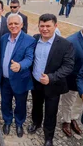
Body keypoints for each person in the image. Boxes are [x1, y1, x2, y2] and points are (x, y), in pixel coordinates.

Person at [28, 14, 74, 146]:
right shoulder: (35, 39)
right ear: (38, 26)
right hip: (36, 82)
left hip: (53, 85)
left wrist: (51, 77)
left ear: (55, 26)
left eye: (48, 26)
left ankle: (48, 136)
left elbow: (68, 66)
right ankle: (36, 123)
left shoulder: (65, 44)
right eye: (42, 26)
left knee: (51, 111)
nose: (45, 29)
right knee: (36, 105)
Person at [0, 14, 36, 137]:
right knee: (5, 102)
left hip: (20, 79)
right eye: (10, 24)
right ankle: (7, 121)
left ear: (21, 25)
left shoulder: (29, 40)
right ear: (7, 25)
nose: (13, 26)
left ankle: (19, 123)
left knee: (21, 104)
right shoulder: (4, 38)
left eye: (16, 24)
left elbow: (29, 58)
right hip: (4, 80)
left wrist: (20, 65)